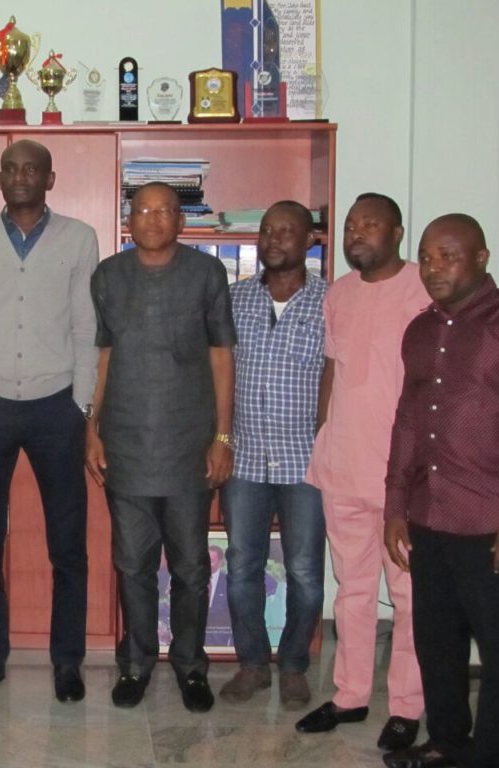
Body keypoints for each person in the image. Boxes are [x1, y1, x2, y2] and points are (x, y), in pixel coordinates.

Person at [0, 139, 99, 703]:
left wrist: (82, 407)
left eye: (31, 169)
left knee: (68, 545)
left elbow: (86, 328)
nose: (19, 177)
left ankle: (67, 662)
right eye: (10, 169)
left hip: (56, 406)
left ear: (50, 179)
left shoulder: (80, 239)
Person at [86, 181, 236, 711]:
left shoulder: (206, 274)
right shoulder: (108, 276)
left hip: (189, 448)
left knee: (192, 566)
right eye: (142, 210)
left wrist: (222, 437)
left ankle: (192, 667)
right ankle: (137, 664)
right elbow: (103, 356)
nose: (152, 220)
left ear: (180, 220)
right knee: (132, 564)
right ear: (129, 219)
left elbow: (222, 357)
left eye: (164, 211)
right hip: (126, 446)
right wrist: (92, 426)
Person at [298, 193, 427, 752]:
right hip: (344, 466)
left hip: (406, 477)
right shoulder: (339, 294)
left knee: (409, 597)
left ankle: (406, 707)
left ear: (397, 232)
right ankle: (350, 696)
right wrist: (324, 431)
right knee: (351, 590)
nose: (357, 233)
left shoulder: (426, 286)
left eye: (370, 224)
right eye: (351, 225)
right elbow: (332, 367)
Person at [382, 214, 498, 768]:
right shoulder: (421, 330)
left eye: (448, 255)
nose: (433, 267)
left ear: (481, 257)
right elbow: (407, 421)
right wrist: (395, 507)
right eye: (426, 256)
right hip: (430, 516)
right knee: (437, 644)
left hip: (487, 522)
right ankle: (449, 743)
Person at [219, 201, 326, 711]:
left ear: (311, 240)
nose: (275, 238)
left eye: (288, 230)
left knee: (305, 569)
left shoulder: (331, 302)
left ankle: (296, 666)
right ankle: (253, 665)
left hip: (307, 460)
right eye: (267, 230)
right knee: (242, 565)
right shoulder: (233, 298)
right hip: (244, 458)